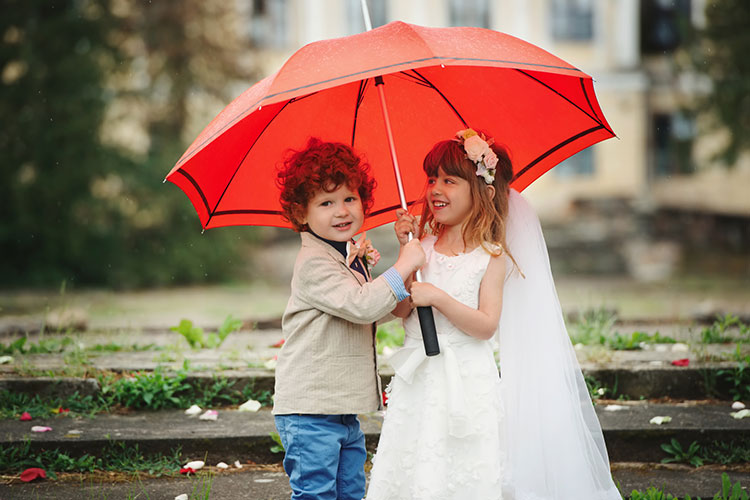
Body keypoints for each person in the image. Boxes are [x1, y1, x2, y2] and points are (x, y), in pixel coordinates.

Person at [366, 129, 621, 500]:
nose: (435, 188)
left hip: (468, 380)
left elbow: (486, 326)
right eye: (432, 179)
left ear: (481, 191)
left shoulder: (491, 256)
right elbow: (402, 308)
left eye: (449, 181)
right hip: (420, 380)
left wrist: (438, 297)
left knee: (466, 466)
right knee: (416, 461)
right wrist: (405, 256)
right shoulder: (423, 246)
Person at [272, 137, 426, 500]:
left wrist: (406, 250)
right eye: (326, 202)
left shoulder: (346, 256)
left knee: (350, 491)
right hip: (310, 410)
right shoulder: (314, 263)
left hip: (341, 408)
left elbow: (385, 307)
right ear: (300, 214)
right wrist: (404, 264)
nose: (341, 211)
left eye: (349, 199)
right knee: (317, 494)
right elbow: (362, 305)